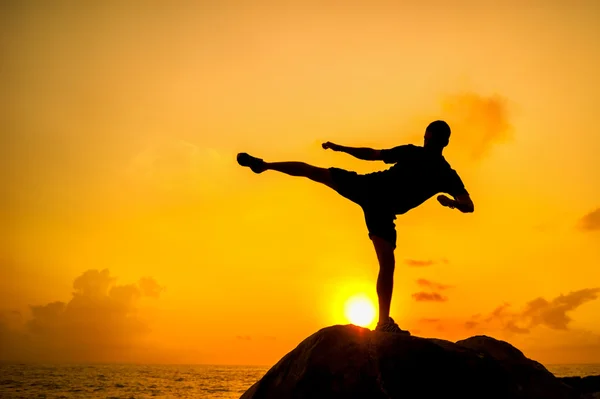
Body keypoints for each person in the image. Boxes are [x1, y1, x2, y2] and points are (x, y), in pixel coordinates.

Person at [236, 120, 474, 334]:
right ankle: (264, 165)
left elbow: (467, 204)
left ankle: (265, 166)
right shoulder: (432, 165)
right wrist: (342, 148)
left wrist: (453, 203)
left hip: (375, 201)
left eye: (428, 137)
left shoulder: (438, 169)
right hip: (372, 193)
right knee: (386, 263)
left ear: (435, 139)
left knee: (314, 174)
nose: (425, 140)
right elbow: (372, 154)